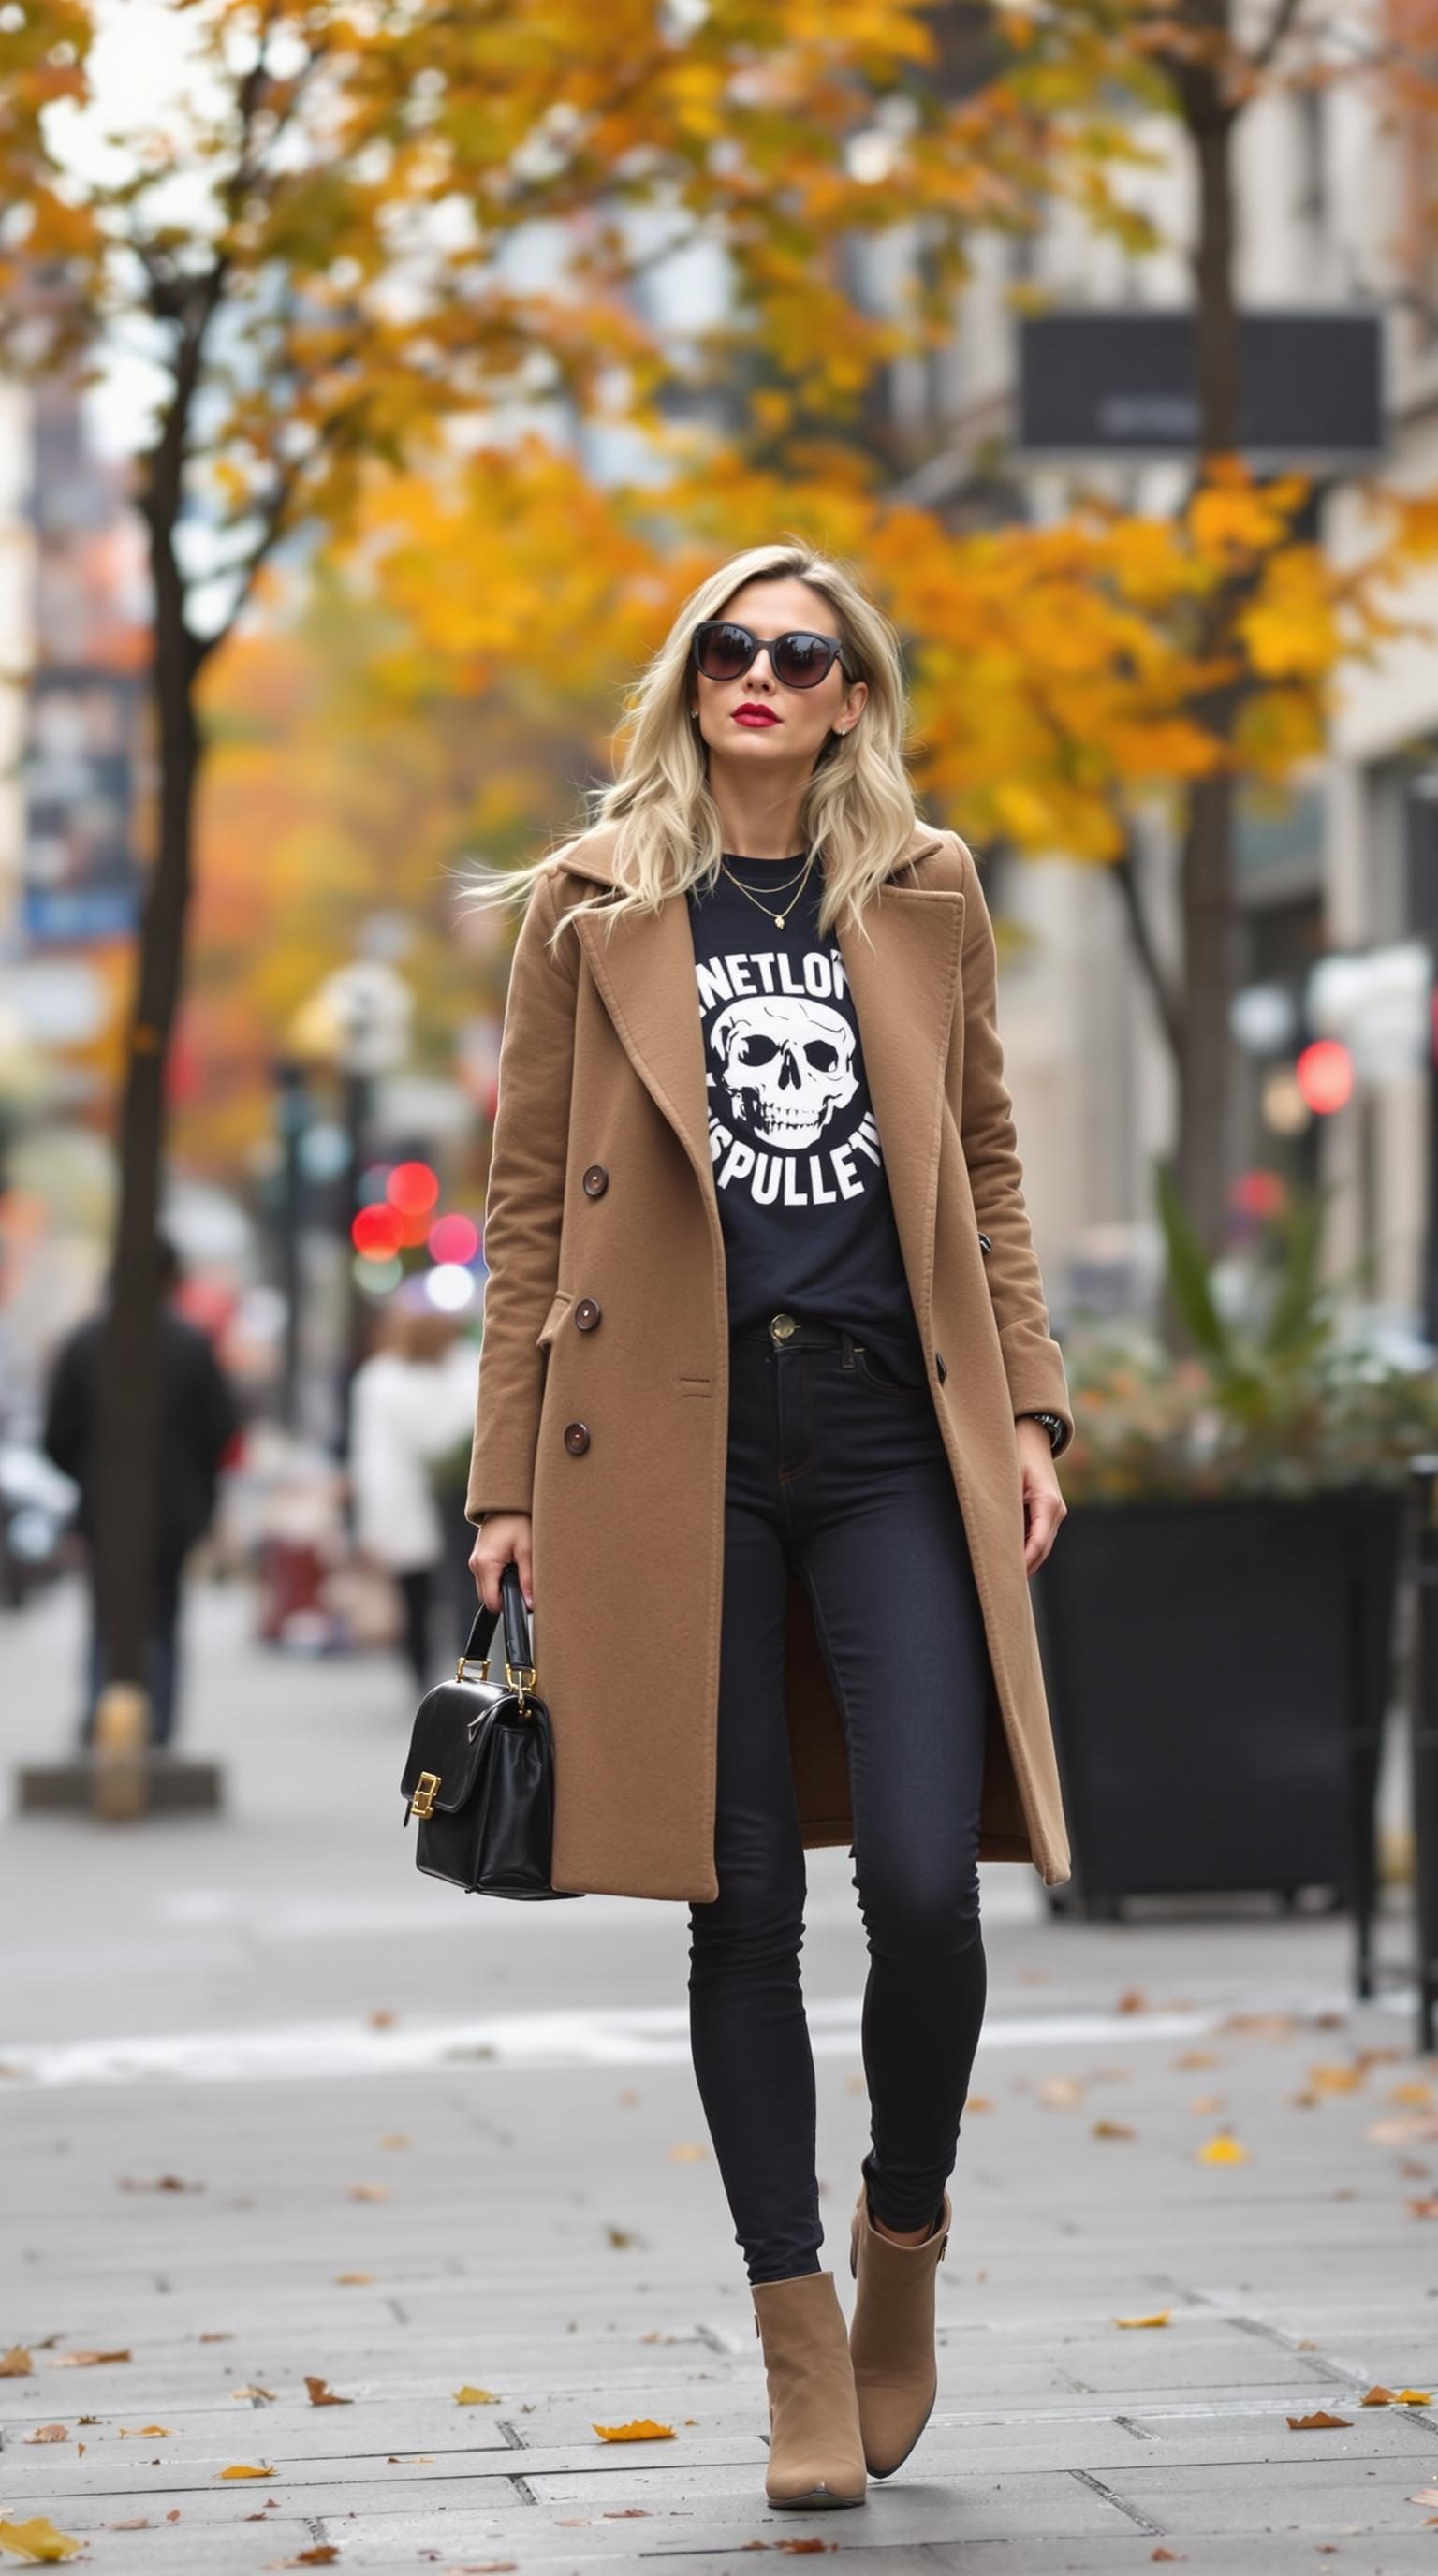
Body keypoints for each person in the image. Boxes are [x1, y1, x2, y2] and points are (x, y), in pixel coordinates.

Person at [462, 541, 1073, 2511]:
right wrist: (500, 1483)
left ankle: (905, 2234)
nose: (760, 675)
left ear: (848, 697)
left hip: (892, 1426)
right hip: (666, 1441)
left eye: (799, 655)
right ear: (690, 676)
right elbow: (527, 1213)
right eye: (729, 647)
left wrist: (1035, 1403)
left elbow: (983, 1151)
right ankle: (797, 2338)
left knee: (925, 1879)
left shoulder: (923, 889)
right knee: (744, 1902)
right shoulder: (590, 907)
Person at [43, 1235, 241, 1750]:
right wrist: (196, 1486)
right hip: (175, 1511)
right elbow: (220, 1427)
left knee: (105, 1618)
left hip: (104, 1508)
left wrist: (91, 1475)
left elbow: (56, 1435)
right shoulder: (191, 1344)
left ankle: (99, 1718)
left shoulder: (85, 1341)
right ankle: (159, 1728)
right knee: (166, 1618)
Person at [348, 1295, 478, 1690]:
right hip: (461, 1496)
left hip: (406, 1501)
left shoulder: (379, 1380)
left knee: (416, 1596)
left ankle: (420, 1673)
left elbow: (374, 1456)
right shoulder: (469, 1369)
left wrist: (372, 1525)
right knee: (465, 1591)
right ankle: (469, 1669)